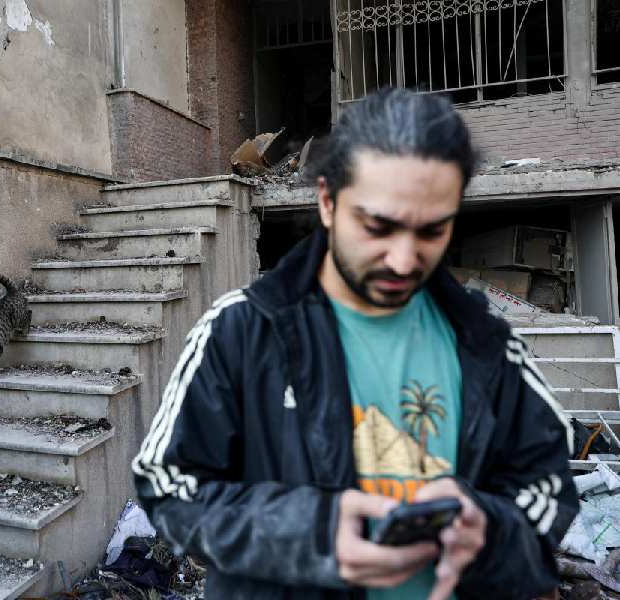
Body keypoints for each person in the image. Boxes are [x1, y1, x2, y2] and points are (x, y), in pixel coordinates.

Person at [131, 88, 579, 599]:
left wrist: (492, 532)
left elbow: (548, 489)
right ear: (327, 201)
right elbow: (166, 486)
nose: (404, 260)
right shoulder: (239, 332)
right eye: (378, 226)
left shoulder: (487, 344)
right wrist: (310, 532)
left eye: (432, 230)